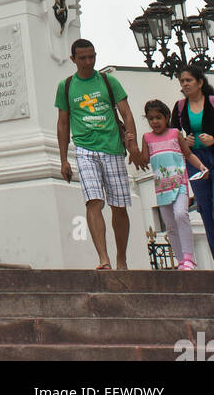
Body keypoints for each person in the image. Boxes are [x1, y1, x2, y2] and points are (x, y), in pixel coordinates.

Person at [56, 39, 141, 270]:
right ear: (73, 59)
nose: (88, 61)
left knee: (119, 206)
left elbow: (127, 113)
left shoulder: (108, 80)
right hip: (84, 149)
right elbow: (63, 123)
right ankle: (103, 258)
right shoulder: (66, 86)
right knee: (93, 200)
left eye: (91, 56)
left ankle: (121, 258)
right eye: (82, 58)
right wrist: (64, 159)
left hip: (112, 147)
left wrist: (132, 145)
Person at [139, 99, 208, 271]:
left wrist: (201, 166)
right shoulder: (147, 138)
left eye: (158, 117)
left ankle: (188, 258)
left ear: (167, 117)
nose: (155, 122)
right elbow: (143, 160)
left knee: (180, 215)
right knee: (170, 225)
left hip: (179, 185)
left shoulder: (175, 134)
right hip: (162, 189)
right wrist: (131, 145)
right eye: (151, 118)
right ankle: (180, 260)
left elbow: (188, 153)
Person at [171, 63, 214, 260]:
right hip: (195, 161)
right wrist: (184, 141)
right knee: (205, 209)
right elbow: (173, 136)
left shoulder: (212, 101)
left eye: (189, 80)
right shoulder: (179, 107)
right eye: (182, 81)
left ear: (200, 82)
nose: (185, 84)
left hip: (212, 155)